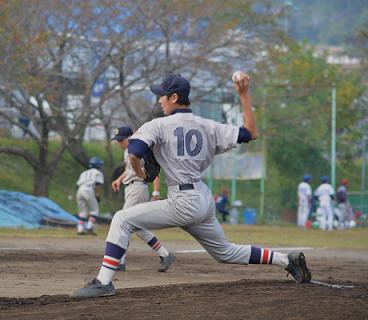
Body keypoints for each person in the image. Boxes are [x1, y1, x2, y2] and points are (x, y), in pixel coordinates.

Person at [73, 73, 311, 298]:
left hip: (182, 201)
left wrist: (140, 174)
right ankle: (285, 260)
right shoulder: (208, 125)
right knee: (225, 252)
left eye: (162, 95)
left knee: (122, 219)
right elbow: (251, 133)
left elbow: (134, 152)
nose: (160, 100)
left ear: (174, 97)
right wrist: (244, 93)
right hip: (202, 198)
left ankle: (104, 282)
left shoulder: (157, 125)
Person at [111, 126, 175, 272]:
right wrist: (119, 179)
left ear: (130, 138)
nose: (119, 143)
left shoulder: (140, 149)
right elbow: (129, 170)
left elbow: (155, 172)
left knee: (123, 222)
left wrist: (156, 192)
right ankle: (165, 254)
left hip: (138, 189)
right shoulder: (128, 152)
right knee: (138, 228)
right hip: (131, 188)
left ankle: (119, 260)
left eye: (121, 140)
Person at [75, 157, 104, 235]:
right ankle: (89, 227)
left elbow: (77, 185)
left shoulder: (84, 172)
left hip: (79, 190)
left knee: (82, 211)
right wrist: (97, 195)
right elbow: (97, 184)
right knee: (94, 210)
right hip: (88, 189)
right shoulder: (98, 172)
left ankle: (80, 229)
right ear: (97, 165)